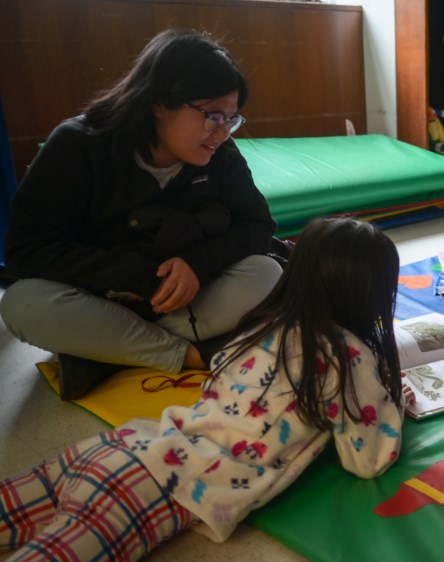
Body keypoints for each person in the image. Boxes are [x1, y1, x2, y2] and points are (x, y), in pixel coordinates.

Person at [0, 216, 416, 562]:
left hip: (122, 444)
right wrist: (392, 402)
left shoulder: (262, 324)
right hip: (143, 493)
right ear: (371, 293)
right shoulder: (350, 357)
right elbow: (368, 459)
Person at [0, 29, 283, 400]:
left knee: (266, 272)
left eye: (231, 119)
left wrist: (197, 264)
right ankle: (186, 353)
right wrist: (133, 275)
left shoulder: (221, 155)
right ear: (159, 102)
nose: (222, 133)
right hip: (98, 299)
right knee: (23, 305)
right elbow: (26, 249)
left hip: (180, 303)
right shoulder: (79, 145)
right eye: (212, 115)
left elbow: (259, 225)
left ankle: (102, 358)